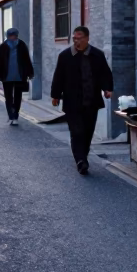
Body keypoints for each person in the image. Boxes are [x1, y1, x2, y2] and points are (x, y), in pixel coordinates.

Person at [49, 25, 114, 175]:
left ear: (87, 38)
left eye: (80, 39)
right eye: (74, 39)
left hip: (91, 101)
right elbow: (58, 77)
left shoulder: (97, 55)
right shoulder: (65, 56)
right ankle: (80, 160)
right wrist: (55, 95)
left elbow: (105, 73)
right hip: (72, 102)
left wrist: (107, 88)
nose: (76, 42)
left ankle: (83, 156)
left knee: (88, 132)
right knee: (76, 131)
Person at [0, 28, 34, 125]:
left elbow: (26, 59)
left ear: (16, 36)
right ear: (8, 36)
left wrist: (30, 72)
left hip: (19, 75)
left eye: (14, 35)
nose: (12, 37)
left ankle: (15, 115)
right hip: (6, 75)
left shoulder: (21, 45)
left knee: (18, 96)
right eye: (10, 36)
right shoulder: (3, 46)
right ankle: (11, 116)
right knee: (8, 97)